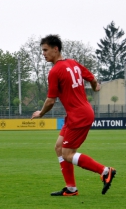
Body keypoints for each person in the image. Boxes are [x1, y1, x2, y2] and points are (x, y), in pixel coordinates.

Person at [31, 34, 116, 196]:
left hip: (79, 115)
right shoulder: (73, 63)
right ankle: (71, 188)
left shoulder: (55, 71)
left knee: (67, 154)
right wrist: (95, 87)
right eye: (42, 50)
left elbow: (50, 101)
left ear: (56, 49)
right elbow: (91, 78)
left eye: (46, 50)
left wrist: (41, 113)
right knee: (58, 147)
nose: (43, 53)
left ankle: (105, 171)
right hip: (77, 114)